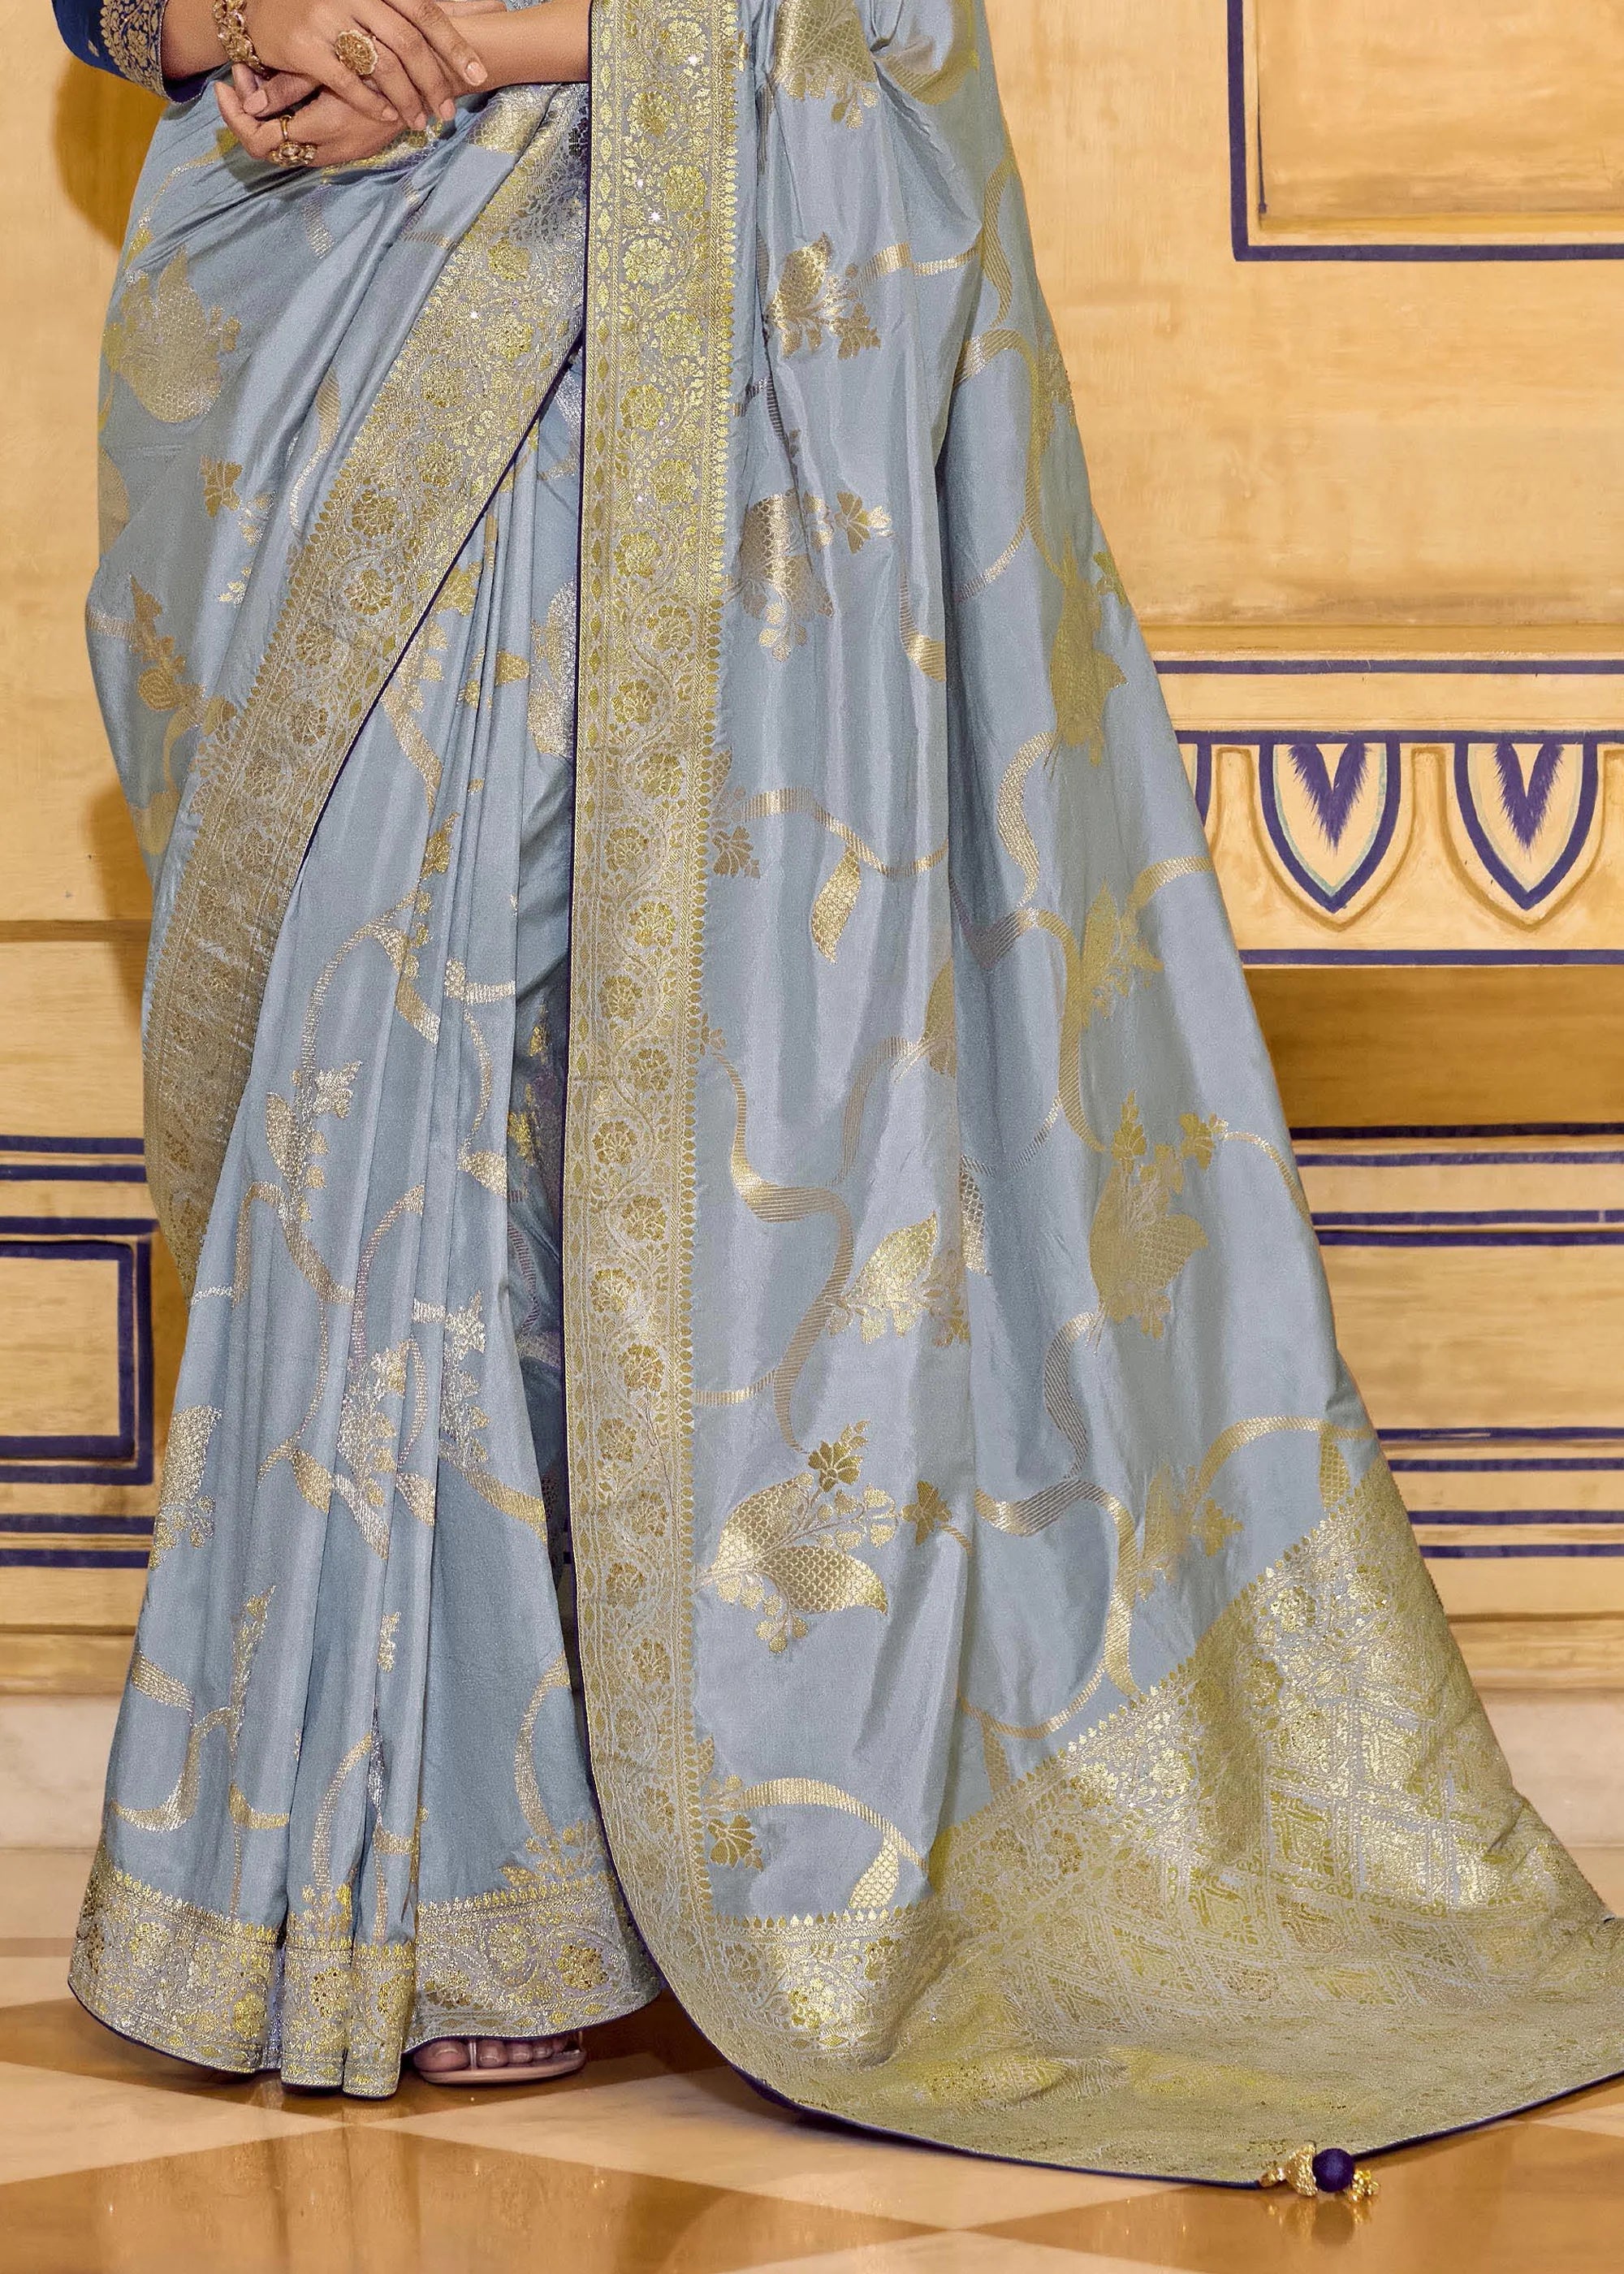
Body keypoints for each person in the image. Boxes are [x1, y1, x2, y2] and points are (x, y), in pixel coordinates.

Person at [53, 0, 1624, 2181]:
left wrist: (478, 43)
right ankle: (424, 1860)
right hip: (301, 280)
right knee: (377, 1030)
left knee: (542, 1016)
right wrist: (251, 18)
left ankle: (559, 1849)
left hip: (648, 274)